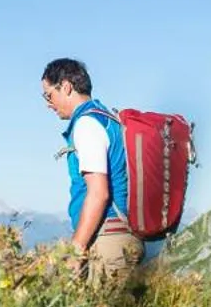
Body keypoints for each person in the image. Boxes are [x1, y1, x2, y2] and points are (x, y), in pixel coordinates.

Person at [40, 58, 142, 291]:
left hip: (109, 242)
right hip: (121, 236)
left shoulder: (87, 125)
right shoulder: (107, 119)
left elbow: (98, 193)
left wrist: (76, 249)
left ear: (65, 87)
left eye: (48, 95)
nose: (48, 104)